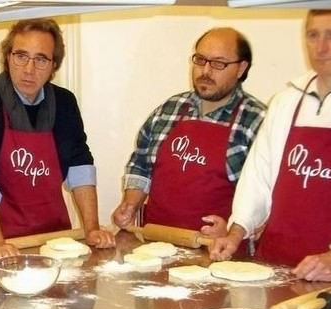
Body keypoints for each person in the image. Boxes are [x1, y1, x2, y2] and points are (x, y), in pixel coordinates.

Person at [0, 18, 115, 260]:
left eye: (41, 59)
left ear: (54, 65)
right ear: (7, 57)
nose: (29, 69)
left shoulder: (64, 103)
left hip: (56, 240)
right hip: (0, 240)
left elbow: (80, 166)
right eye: (21, 56)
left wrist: (92, 228)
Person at [211, 10, 331, 282]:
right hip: (277, 262)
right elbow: (258, 176)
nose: (321, 47)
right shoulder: (286, 101)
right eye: (313, 35)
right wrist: (237, 230)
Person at [112, 27, 266, 242]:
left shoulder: (257, 121)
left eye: (218, 63)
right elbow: (141, 164)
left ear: (241, 68)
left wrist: (234, 229)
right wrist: (130, 203)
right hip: (156, 247)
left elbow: (267, 195)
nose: (206, 71)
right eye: (200, 60)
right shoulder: (169, 109)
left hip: (218, 252)